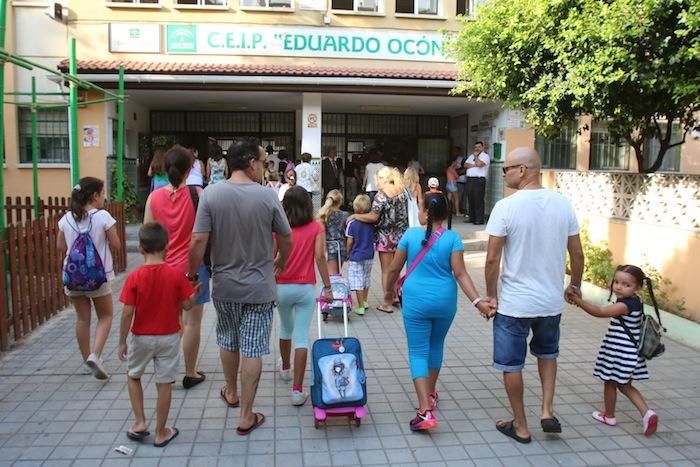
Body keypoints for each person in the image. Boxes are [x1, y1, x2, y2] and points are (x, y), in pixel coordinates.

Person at [188, 140, 292, 437]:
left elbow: (198, 241)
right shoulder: (267, 197)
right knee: (253, 348)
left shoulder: (210, 195)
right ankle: (246, 415)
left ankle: (231, 392)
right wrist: (281, 261)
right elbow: (286, 237)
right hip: (259, 287)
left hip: (224, 285)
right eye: (262, 162)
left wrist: (190, 273)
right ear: (250, 163)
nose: (264, 167)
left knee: (228, 339)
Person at [484, 147, 584, 444]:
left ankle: (521, 425)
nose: (504, 173)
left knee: (512, 364)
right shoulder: (562, 204)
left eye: (507, 168)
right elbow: (577, 254)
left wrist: (491, 296)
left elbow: (491, 259)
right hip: (550, 303)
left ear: (523, 170)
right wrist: (574, 285)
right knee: (547, 354)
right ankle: (546, 410)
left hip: (515, 304)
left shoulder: (506, 207)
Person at [386, 192, 494, 431]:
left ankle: (424, 410)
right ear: (445, 214)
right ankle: (431, 394)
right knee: (435, 346)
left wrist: (387, 293)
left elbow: (394, 268)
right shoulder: (453, 238)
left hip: (415, 301)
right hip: (445, 301)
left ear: (425, 212)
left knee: (417, 351)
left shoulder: (410, 235)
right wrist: (477, 301)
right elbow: (461, 273)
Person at [118, 222, 196, 447]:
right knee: (164, 383)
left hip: (140, 336)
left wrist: (122, 341)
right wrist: (192, 295)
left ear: (141, 248)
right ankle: (161, 432)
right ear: (167, 247)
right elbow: (187, 305)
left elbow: (126, 312)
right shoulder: (175, 275)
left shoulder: (134, 277)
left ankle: (140, 422)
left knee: (133, 375)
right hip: (169, 336)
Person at [144, 145, 210, 390]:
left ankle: (166, 372)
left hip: (161, 269)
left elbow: (146, 236)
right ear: (190, 168)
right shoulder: (199, 195)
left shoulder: (154, 197)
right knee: (192, 323)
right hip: (193, 268)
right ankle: (190, 372)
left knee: (169, 323)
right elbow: (204, 234)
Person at [569, 264, 659, 436]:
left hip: (619, 352)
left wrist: (578, 301)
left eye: (626, 284)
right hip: (629, 353)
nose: (619, 286)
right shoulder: (635, 302)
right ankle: (647, 413)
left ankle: (609, 415)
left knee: (610, 381)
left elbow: (600, 311)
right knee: (625, 385)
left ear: (638, 287)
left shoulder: (625, 305)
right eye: (616, 282)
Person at [57, 177, 121, 380]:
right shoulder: (103, 217)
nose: (104, 198)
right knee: (106, 316)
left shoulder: (66, 218)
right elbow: (116, 243)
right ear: (94, 196)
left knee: (82, 318)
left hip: (73, 275)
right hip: (98, 277)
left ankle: (86, 360)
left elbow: (60, 246)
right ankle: (96, 355)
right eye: (103, 194)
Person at [276, 186, 334, 406]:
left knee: (284, 328)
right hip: (305, 288)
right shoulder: (316, 227)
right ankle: (297, 391)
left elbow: (272, 256)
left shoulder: (279, 229)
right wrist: (328, 286)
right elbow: (320, 257)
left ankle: (284, 368)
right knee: (301, 336)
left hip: (281, 286)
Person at [350, 166, 408, 314]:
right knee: (396, 269)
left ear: (383, 179)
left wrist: (356, 216)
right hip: (401, 235)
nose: (376, 182)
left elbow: (374, 217)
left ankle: (387, 302)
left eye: (377, 179)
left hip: (385, 236)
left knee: (386, 271)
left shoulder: (381, 196)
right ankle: (395, 296)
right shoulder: (402, 191)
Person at [345, 194, 375, 316]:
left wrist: (347, 252)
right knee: (366, 278)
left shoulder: (352, 224)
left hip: (356, 255)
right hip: (369, 254)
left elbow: (350, 241)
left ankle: (361, 306)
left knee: (357, 280)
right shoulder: (371, 223)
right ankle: (365, 300)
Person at [317, 189, 349, 275]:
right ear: (340, 202)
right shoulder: (345, 215)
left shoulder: (324, 215)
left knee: (332, 276)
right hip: (341, 246)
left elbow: (322, 235)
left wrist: (324, 251)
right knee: (337, 274)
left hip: (329, 246)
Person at [464, 141, 490, 224]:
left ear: (482, 148)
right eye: (476, 147)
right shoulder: (471, 156)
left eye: (479, 147)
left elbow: (479, 164)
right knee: (470, 198)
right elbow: (465, 165)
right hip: (470, 179)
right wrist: (473, 164)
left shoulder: (485, 156)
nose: (477, 149)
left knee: (478, 199)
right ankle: (472, 218)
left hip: (479, 180)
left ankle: (479, 219)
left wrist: (476, 157)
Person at [452, 146, 468, 217]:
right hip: (456, 181)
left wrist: (456, 173)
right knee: (456, 197)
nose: (453, 153)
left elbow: (465, 170)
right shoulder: (454, 159)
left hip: (461, 181)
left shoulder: (462, 159)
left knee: (459, 197)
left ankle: (458, 210)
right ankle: (455, 210)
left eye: (455, 151)